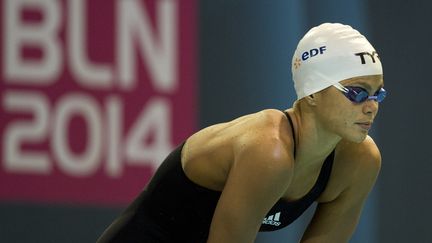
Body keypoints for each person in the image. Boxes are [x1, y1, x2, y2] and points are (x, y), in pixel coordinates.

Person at [97, 23, 386, 243]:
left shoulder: (359, 161)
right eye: (357, 93)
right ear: (312, 93)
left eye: (377, 94)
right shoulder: (269, 149)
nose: (371, 106)